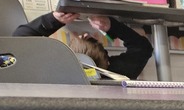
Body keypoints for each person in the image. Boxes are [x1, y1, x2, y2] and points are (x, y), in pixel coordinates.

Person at [13, 10, 153, 80]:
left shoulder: (54, 73)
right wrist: (111, 26)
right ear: (106, 59)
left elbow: (19, 39)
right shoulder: (115, 74)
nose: (84, 34)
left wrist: (54, 19)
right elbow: (142, 47)